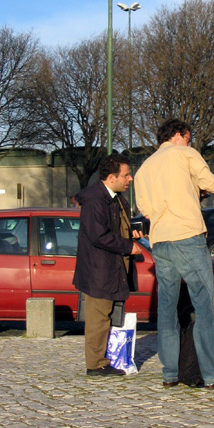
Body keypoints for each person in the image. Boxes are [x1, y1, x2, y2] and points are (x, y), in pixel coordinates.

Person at [134, 118, 214, 390]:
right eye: (189, 137)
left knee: (167, 308)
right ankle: (213, 374)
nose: (190, 142)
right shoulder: (186, 154)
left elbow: (145, 209)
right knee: (205, 303)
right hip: (187, 235)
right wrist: (197, 191)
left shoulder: (144, 168)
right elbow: (212, 184)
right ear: (179, 135)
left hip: (160, 239)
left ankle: (170, 373)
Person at [73, 153, 142, 377]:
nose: (130, 179)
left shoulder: (115, 197)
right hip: (98, 269)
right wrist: (127, 246)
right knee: (98, 317)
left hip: (109, 268)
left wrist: (131, 232)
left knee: (105, 315)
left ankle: (101, 360)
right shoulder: (96, 199)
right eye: (126, 175)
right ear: (112, 177)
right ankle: (96, 364)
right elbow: (98, 235)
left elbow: (114, 227)